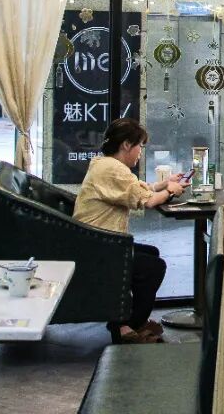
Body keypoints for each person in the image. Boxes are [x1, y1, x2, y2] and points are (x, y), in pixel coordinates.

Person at [73, 118, 186, 344]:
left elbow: (137, 189)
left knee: (151, 254)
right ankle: (129, 325)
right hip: (99, 247)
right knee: (153, 267)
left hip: (97, 241)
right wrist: (171, 191)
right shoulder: (112, 169)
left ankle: (125, 318)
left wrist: (164, 185)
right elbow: (148, 201)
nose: (140, 153)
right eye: (140, 146)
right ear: (126, 144)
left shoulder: (104, 164)